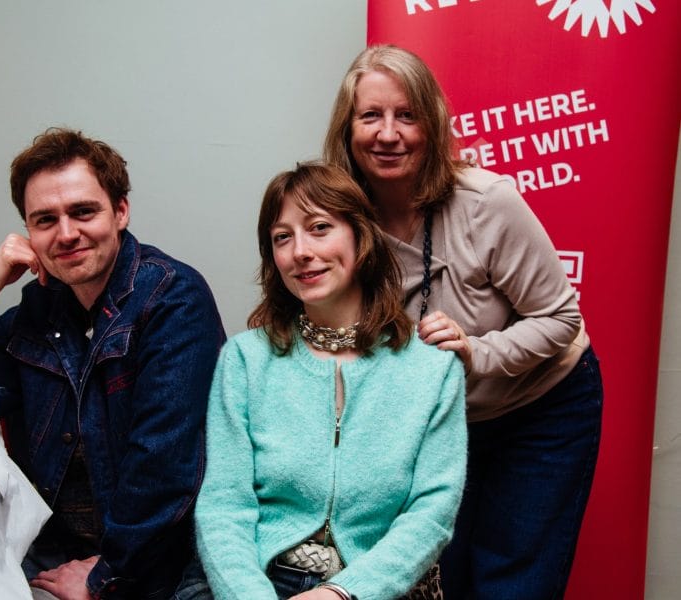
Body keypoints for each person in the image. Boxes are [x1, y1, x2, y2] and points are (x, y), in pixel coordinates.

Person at [323, 45, 604, 599]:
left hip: (538, 408)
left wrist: (476, 352)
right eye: (370, 115)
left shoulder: (486, 202)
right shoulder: (336, 218)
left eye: (407, 115)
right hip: (436, 424)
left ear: (431, 124)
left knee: (512, 583)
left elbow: (560, 317)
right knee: (437, 579)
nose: (388, 134)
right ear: (347, 128)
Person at [0, 128, 226, 600]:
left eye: (83, 212)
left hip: (152, 569)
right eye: (45, 220)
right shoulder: (43, 306)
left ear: (120, 211)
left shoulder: (172, 299)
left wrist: (106, 575)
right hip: (51, 549)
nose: (66, 234)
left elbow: (163, 468)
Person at [176, 163, 467, 600]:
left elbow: (432, 514)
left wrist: (342, 593)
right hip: (250, 579)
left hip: (369, 586)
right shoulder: (244, 360)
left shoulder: (433, 369)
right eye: (282, 237)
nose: (300, 252)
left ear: (360, 236)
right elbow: (225, 506)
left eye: (319, 228)